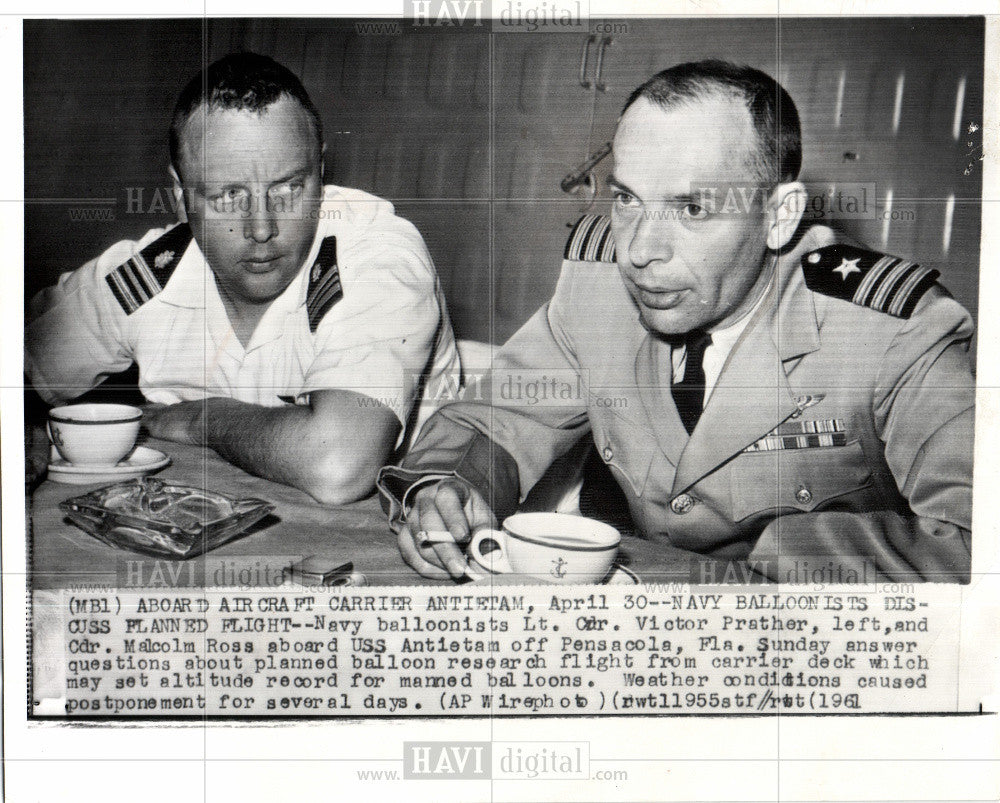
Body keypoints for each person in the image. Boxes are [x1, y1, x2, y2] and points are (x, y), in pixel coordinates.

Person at [379, 60, 974, 583]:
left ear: (778, 216)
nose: (639, 251)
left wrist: (782, 558)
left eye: (691, 207)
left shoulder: (893, 332)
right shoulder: (600, 286)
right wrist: (449, 488)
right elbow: (500, 420)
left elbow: (977, 548)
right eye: (627, 199)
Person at [26, 52, 459, 504]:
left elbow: (338, 466)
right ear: (180, 195)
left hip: (383, 544)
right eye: (228, 195)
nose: (261, 228)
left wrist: (199, 419)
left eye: (288, 187)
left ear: (322, 172)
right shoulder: (152, 272)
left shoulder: (379, 254)